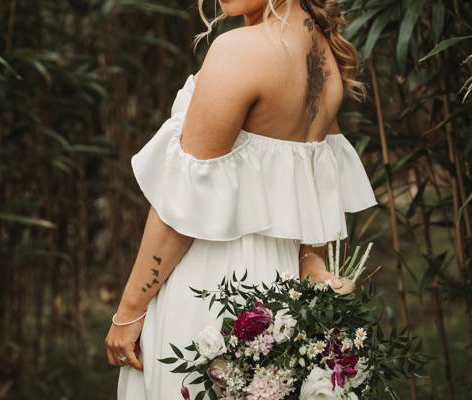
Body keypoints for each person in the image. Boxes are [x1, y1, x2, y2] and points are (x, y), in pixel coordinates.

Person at [106, 0, 377, 398]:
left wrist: (129, 311)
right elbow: (313, 187)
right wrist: (311, 261)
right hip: (280, 298)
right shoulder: (324, 57)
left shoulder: (239, 50)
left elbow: (183, 206)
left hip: (212, 289)